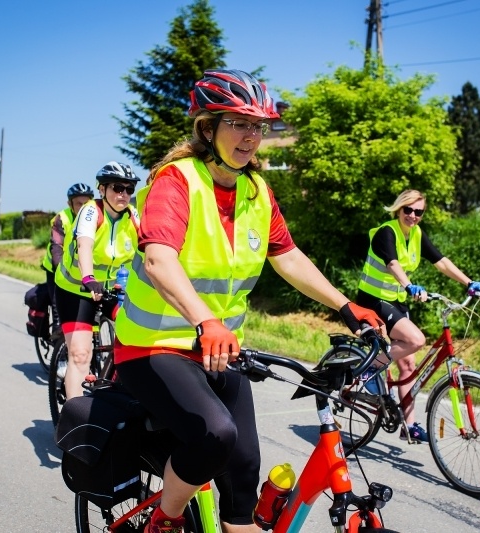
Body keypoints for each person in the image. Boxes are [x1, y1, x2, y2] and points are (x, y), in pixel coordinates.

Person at [113, 69, 385, 533]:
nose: (251, 136)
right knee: (214, 435)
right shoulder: (176, 180)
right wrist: (205, 320)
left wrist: (347, 307)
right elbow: (159, 260)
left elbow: (288, 255)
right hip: (152, 346)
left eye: (258, 126)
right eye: (239, 123)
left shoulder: (257, 192)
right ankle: (164, 518)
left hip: (219, 350)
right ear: (208, 128)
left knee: (244, 469)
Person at [356, 189, 480, 443]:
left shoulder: (416, 234)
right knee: (416, 340)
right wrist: (409, 286)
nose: (413, 216)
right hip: (373, 300)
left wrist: (469, 283)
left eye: (419, 212)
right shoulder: (387, 231)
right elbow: (393, 264)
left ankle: (409, 426)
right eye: (408, 210)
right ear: (399, 209)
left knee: (408, 364)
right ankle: (369, 369)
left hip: (395, 301)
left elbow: (441, 261)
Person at [54, 163, 139, 400]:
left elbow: (147, 249)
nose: (123, 194)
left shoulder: (132, 216)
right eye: (117, 187)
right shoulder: (91, 211)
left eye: (129, 189)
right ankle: (74, 420)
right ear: (102, 189)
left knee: (134, 337)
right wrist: (89, 278)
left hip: (111, 289)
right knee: (81, 354)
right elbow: (85, 246)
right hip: (75, 289)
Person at [41, 182, 94, 338]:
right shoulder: (62, 218)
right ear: (70, 204)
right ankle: (59, 343)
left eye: (87, 203)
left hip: (82, 269)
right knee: (59, 308)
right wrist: (63, 271)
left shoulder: (96, 216)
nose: (83, 207)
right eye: (79, 203)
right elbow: (57, 247)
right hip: (57, 269)